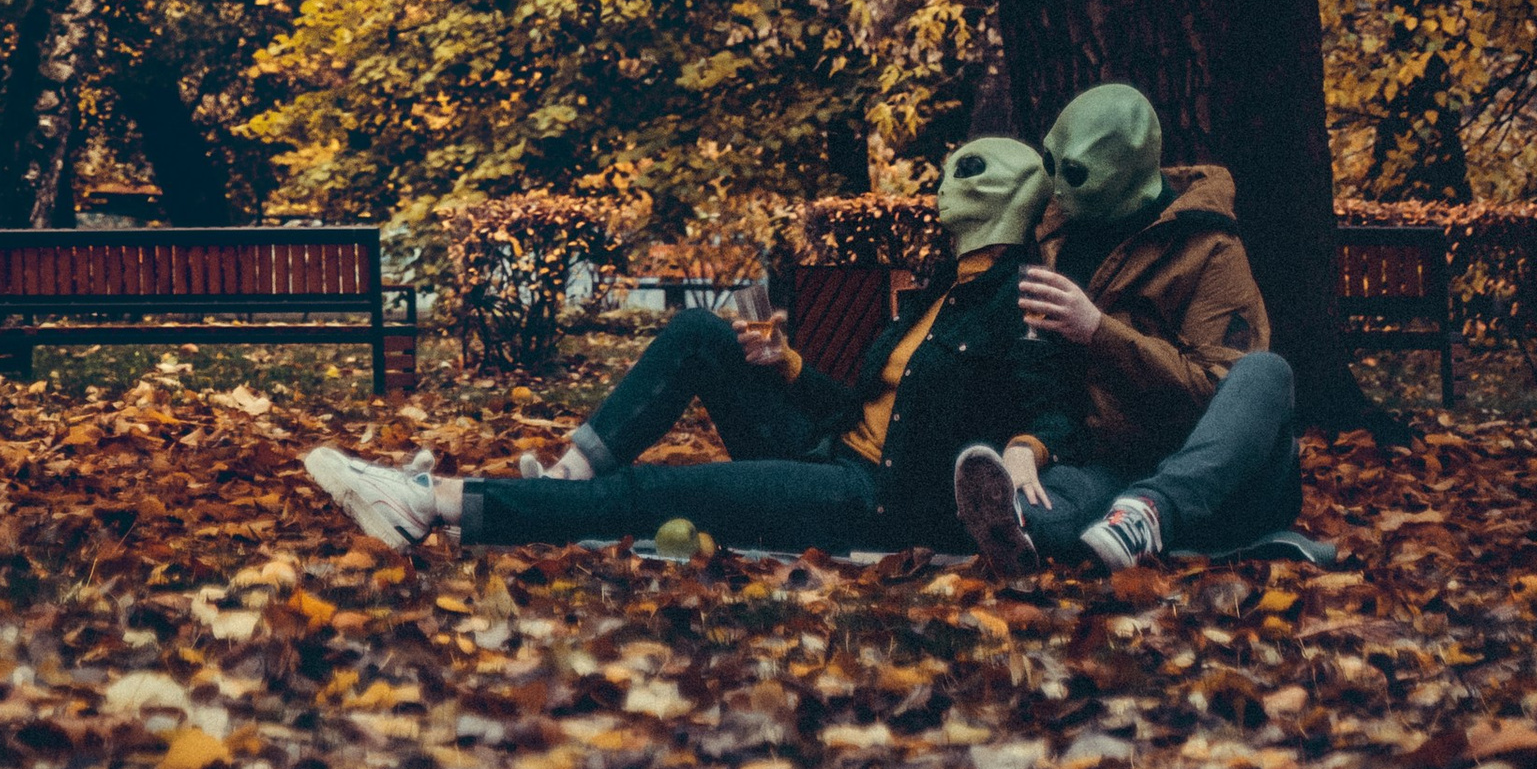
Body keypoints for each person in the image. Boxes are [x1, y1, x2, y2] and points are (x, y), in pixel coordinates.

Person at [304, 135, 1078, 557]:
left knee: (663, 493)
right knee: (701, 333)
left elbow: (1056, 404)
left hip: (873, 504)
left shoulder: (1022, 294)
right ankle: (568, 476)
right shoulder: (935, 288)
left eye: (967, 173)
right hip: (828, 453)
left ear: (1013, 194)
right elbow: (863, 408)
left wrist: (1023, 452)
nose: (944, 186)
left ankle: (429, 505)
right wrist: (792, 367)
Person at [950, 81, 1301, 577]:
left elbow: (1219, 392)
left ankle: (1152, 511)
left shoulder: (1210, 248)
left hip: (1217, 479)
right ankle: (1024, 529)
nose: (1057, 186)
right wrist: (1027, 447)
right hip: (1109, 466)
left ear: (1126, 177)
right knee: (1036, 508)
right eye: (1051, 165)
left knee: (1265, 373)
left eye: (1074, 174)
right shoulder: (1053, 230)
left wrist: (1098, 330)